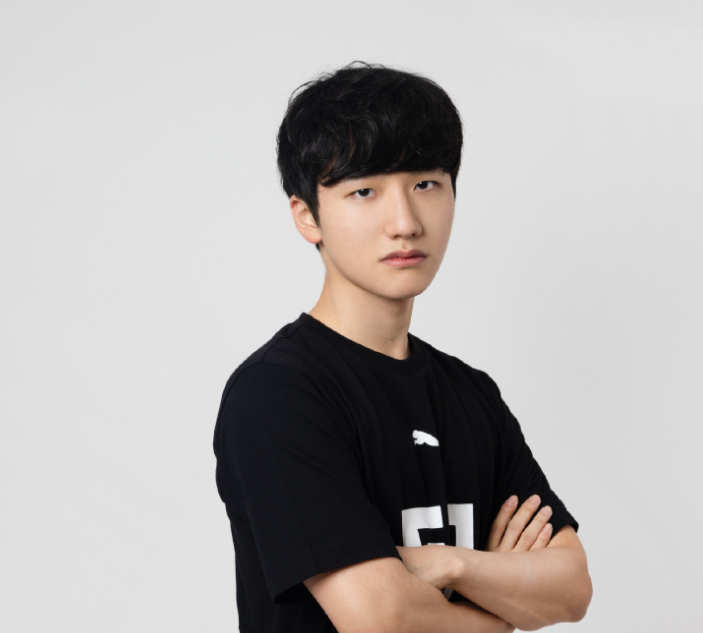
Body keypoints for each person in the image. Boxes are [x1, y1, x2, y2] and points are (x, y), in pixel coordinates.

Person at [213, 62, 592, 633]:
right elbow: (383, 620)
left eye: (425, 184)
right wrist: (502, 613)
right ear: (307, 216)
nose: (405, 222)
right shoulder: (278, 394)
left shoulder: (471, 394)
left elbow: (572, 589)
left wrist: (453, 564)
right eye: (364, 191)